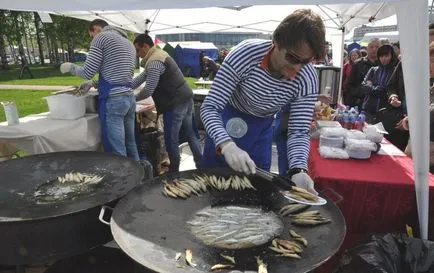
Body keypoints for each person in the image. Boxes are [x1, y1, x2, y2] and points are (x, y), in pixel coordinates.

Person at [200, 9, 325, 194]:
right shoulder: (245, 54)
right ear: (276, 42)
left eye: (305, 62)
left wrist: (299, 168)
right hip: (227, 119)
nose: (297, 68)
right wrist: (225, 144)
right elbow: (210, 107)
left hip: (262, 129)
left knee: (257, 190)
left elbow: (298, 131)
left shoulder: (307, 78)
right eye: (292, 57)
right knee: (214, 188)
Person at [59, 19, 139, 160]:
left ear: (96, 29)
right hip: (129, 98)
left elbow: (87, 72)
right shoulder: (129, 44)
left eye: (91, 35)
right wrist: (93, 83)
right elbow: (119, 74)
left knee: (118, 150)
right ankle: (141, 174)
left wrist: (71, 67)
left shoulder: (101, 38)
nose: (92, 38)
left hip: (114, 100)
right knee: (131, 144)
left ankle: (125, 180)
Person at [132, 34, 202, 173]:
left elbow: (148, 90)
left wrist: (131, 99)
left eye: (138, 50)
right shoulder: (158, 55)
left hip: (175, 102)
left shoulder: (154, 62)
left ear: (145, 46)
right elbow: (139, 79)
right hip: (185, 97)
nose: (138, 55)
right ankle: (202, 166)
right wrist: (125, 86)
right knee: (191, 134)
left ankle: (174, 171)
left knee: (172, 139)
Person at [360, 44, 399, 124]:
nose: (383, 58)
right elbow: (364, 87)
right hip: (368, 110)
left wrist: (372, 87)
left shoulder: (395, 71)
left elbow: (388, 90)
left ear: (392, 56)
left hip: (385, 111)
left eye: (386, 55)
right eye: (381, 56)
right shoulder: (373, 70)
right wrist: (379, 88)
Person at [346, 38, 380, 108]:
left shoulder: (383, 64)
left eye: (377, 47)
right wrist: (359, 93)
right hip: (360, 103)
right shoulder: (358, 63)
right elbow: (350, 84)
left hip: (378, 103)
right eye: (371, 47)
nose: (374, 49)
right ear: (367, 48)